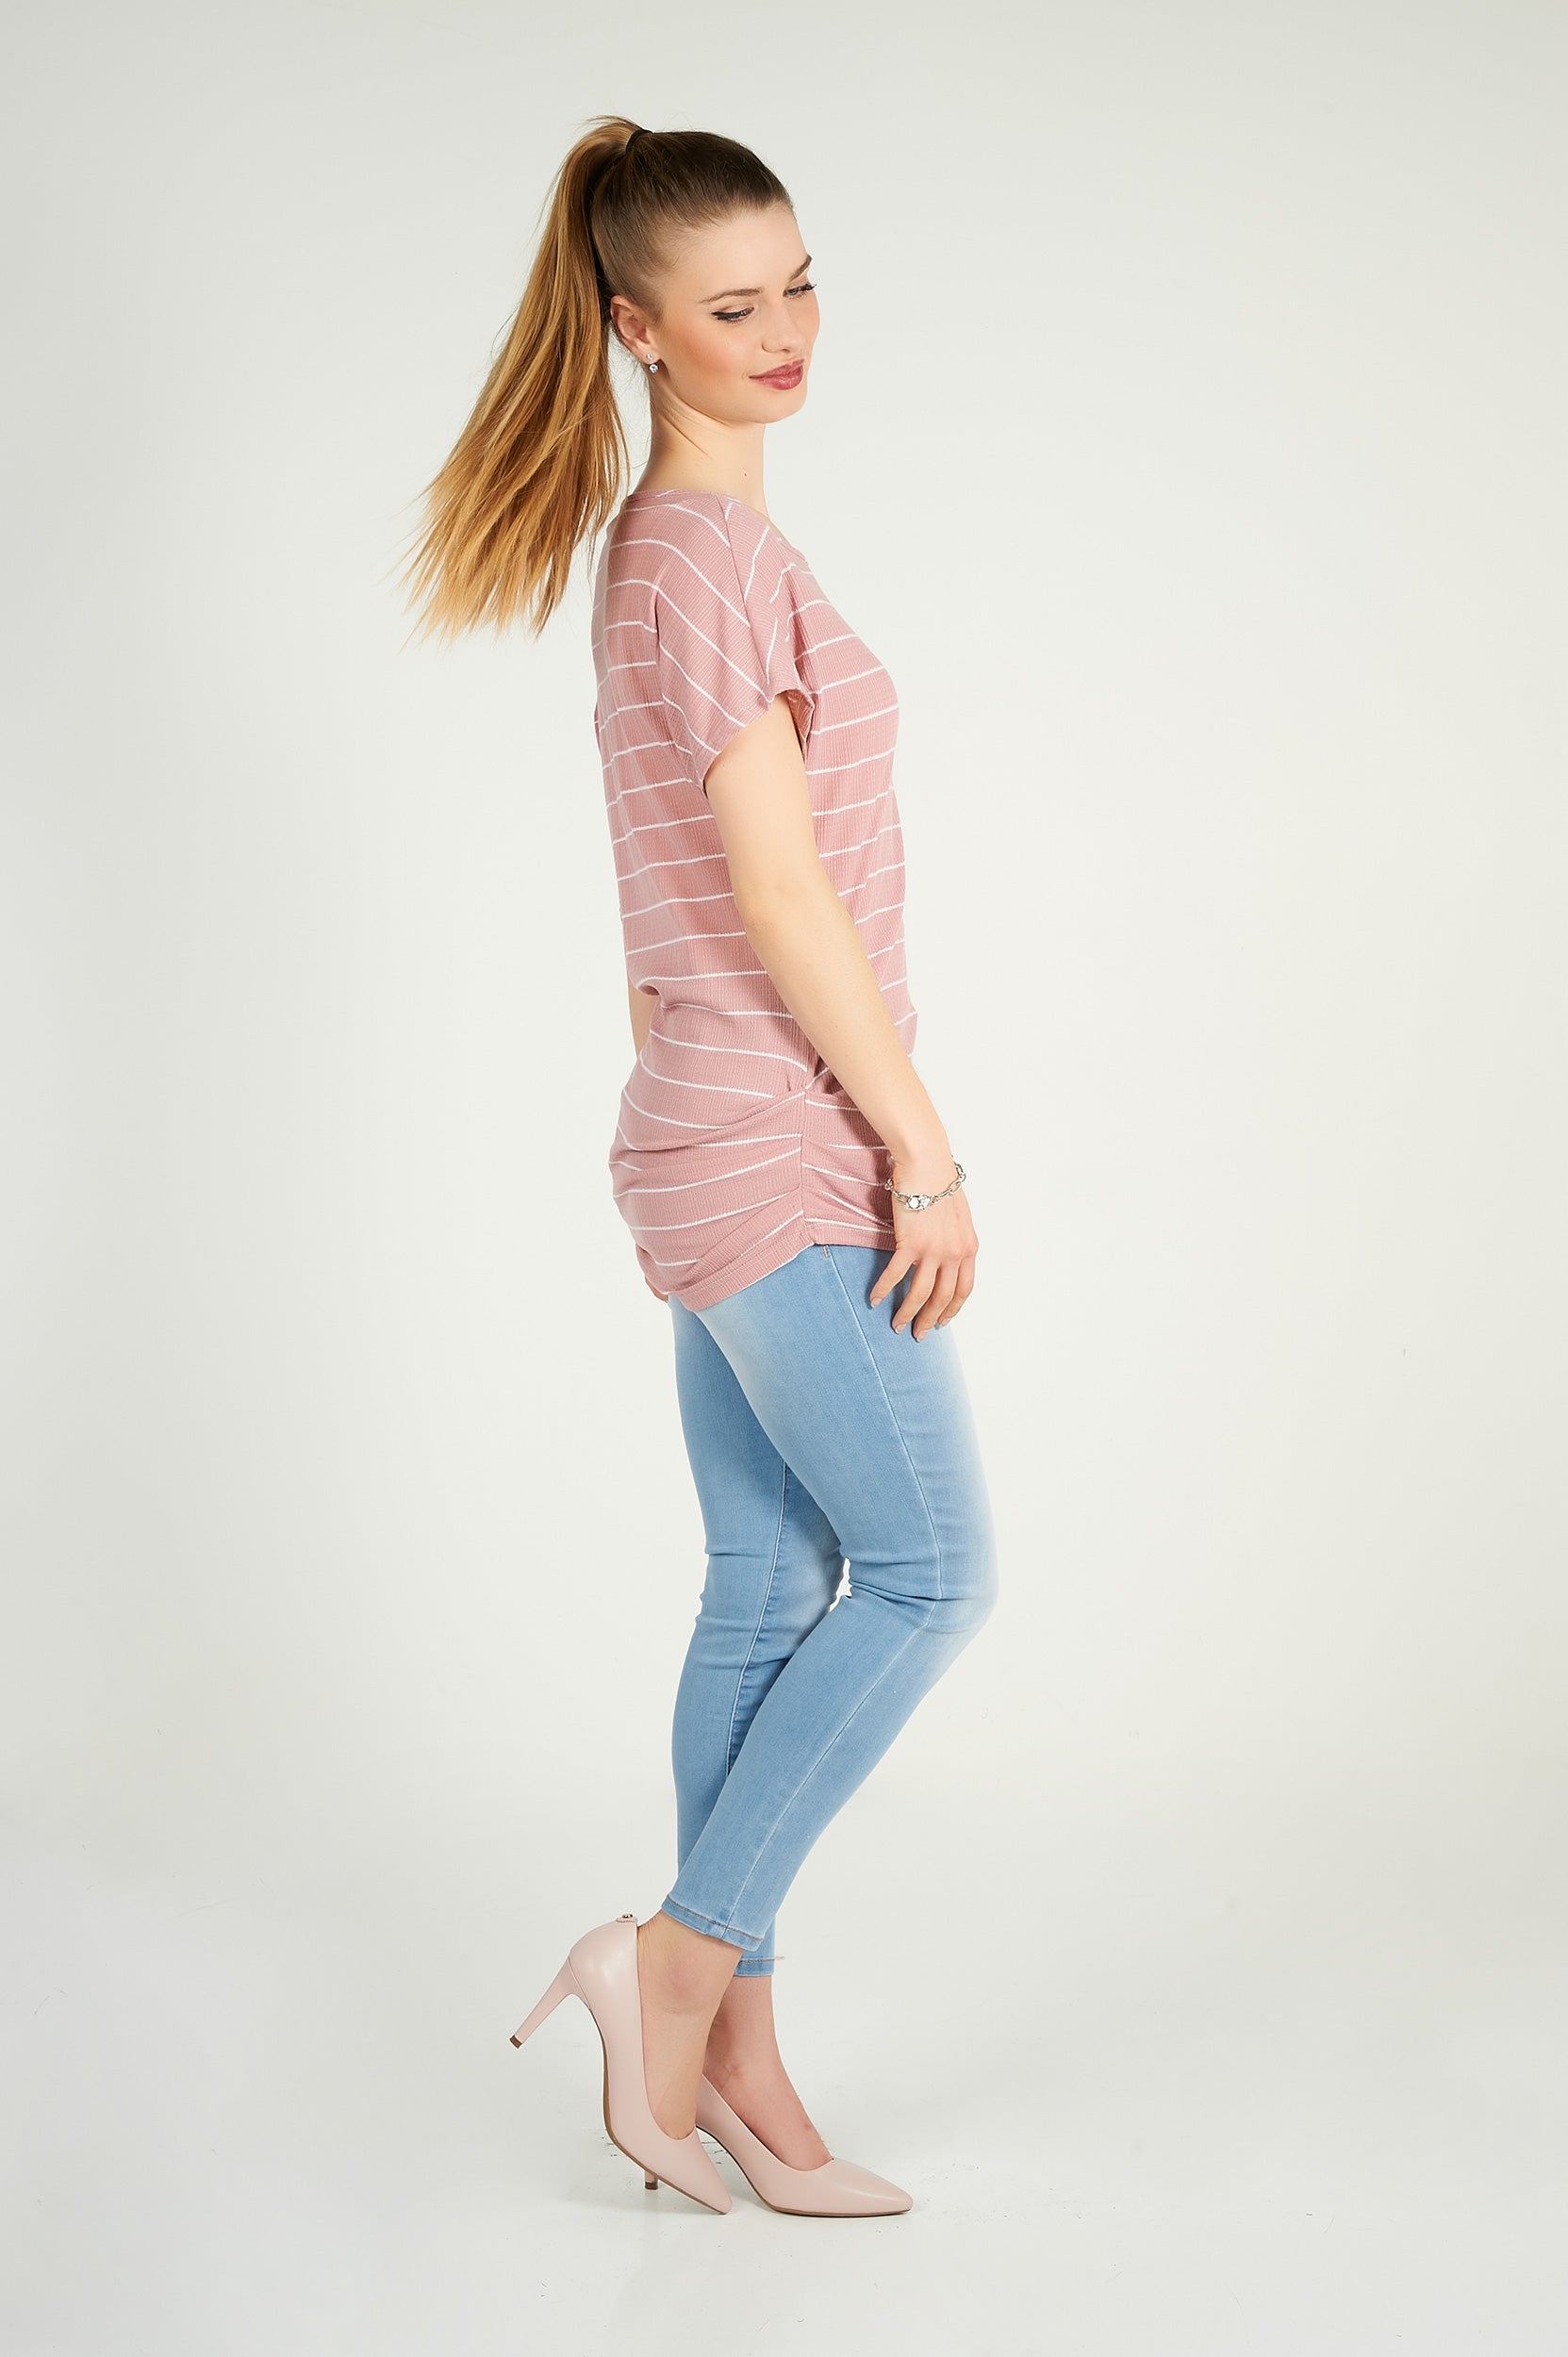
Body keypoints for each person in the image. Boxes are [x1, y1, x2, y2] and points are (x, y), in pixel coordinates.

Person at [400, 115, 999, 2218]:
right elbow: (777, 894)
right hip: (780, 1144)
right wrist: (922, 1155)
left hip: (698, 1128)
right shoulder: (706, 561)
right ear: (638, 328)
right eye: (733, 305)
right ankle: (672, 1955)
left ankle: (731, 2052)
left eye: (800, 281)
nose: (785, 331)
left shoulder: (669, 553)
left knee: (766, 1581)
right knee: (931, 1574)